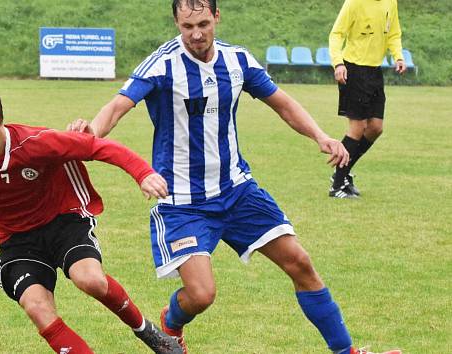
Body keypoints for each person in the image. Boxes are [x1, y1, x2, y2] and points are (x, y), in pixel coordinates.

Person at [68, 1, 401, 353]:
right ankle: (172, 321)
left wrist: (321, 136)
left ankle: (346, 351)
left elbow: (281, 102)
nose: (196, 34)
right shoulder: (162, 64)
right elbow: (118, 106)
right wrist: (90, 133)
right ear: (177, 24)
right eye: (187, 26)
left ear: (216, 17)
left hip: (237, 190)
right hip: (184, 203)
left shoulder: (237, 60)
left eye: (203, 23)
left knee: (300, 263)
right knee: (201, 294)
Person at [0, 87, 183, 354]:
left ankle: (145, 331)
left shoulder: (36, 143)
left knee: (90, 280)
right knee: (36, 306)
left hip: (63, 222)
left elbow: (97, 147)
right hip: (16, 240)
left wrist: (143, 174)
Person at [328, 0, 405, 198]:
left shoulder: (391, 2)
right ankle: (337, 186)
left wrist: (398, 56)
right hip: (353, 69)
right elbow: (336, 34)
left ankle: (342, 172)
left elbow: (394, 33)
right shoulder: (354, 2)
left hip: (374, 71)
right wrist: (338, 63)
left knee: (375, 128)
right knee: (357, 127)